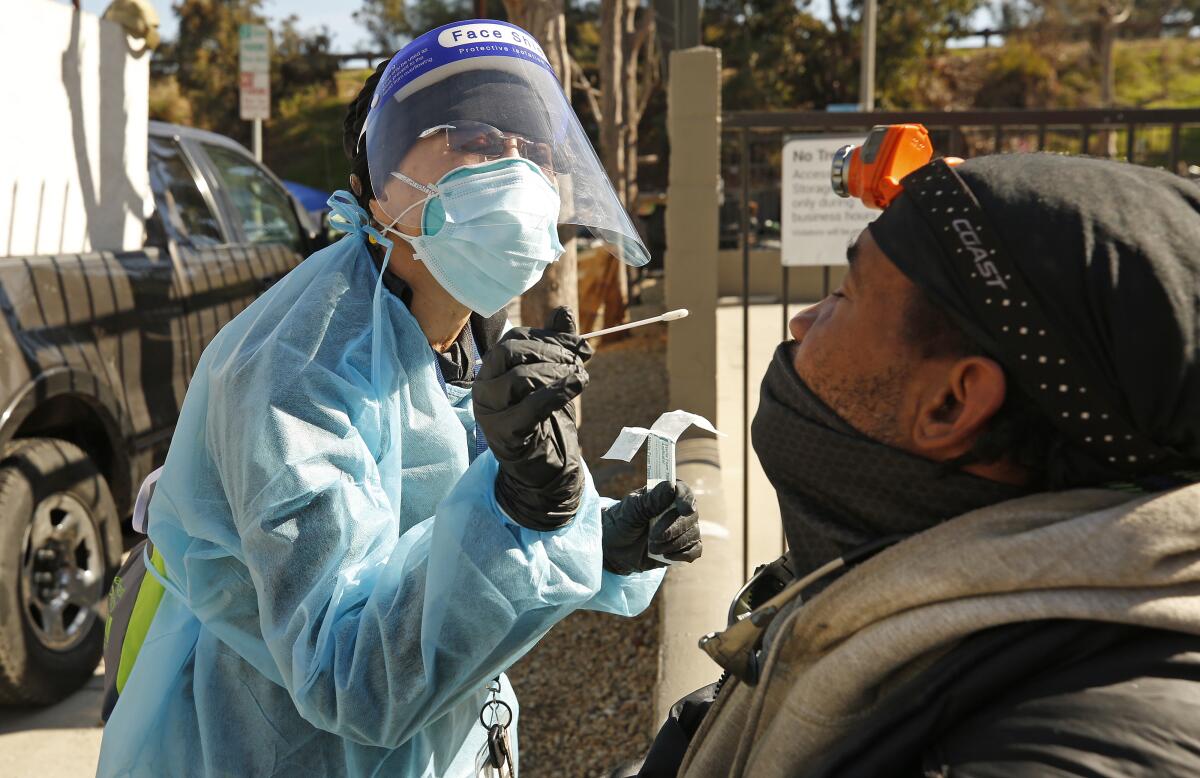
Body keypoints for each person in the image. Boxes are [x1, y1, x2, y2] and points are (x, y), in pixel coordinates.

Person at [98, 20, 701, 778]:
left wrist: (593, 541)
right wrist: (523, 507)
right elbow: (350, 678)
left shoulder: (459, 321)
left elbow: (439, 552)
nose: (515, 170)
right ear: (373, 188)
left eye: (536, 150)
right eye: (475, 137)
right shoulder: (297, 368)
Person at [636, 152, 1200, 777]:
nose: (802, 320)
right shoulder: (897, 582)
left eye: (845, 295)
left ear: (951, 403)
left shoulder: (1055, 752)